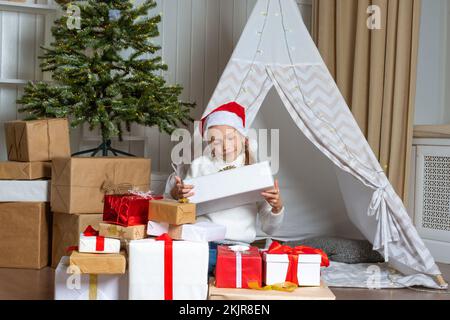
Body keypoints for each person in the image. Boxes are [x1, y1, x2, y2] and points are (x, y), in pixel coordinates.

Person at [165, 102, 285, 245]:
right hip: (203, 241)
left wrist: (277, 208)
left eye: (230, 138)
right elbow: (182, 211)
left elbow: (269, 228)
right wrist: (177, 194)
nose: (225, 146)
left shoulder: (256, 172)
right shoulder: (199, 166)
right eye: (216, 141)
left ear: (243, 139)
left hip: (239, 245)